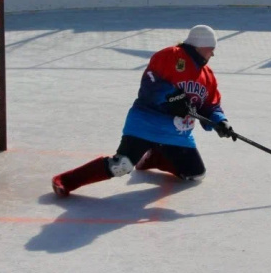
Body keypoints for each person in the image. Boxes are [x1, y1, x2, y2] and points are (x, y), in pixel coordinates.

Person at [51, 25, 235, 196]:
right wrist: (172, 97)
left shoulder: (207, 76)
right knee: (121, 165)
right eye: (210, 47)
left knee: (195, 174)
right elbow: (150, 83)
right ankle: (66, 181)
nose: (212, 53)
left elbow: (210, 104)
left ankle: (155, 157)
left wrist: (220, 121)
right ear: (198, 45)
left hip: (177, 134)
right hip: (145, 124)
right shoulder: (171, 56)